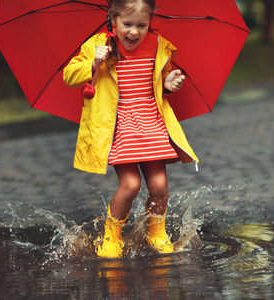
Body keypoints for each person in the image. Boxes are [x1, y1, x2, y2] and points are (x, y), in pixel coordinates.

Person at [63, 0, 198, 258]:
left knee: (159, 185)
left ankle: (156, 231)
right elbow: (69, 76)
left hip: (151, 122)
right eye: (127, 24)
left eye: (141, 25)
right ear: (114, 21)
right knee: (131, 184)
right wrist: (92, 62)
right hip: (120, 125)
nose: (134, 32)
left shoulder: (158, 45)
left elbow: (158, 82)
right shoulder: (98, 45)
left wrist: (168, 83)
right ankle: (112, 236)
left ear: (150, 23)